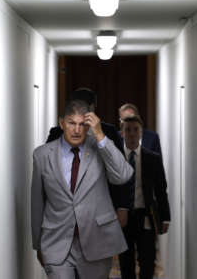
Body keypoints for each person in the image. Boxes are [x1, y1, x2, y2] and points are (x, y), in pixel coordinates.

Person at [31, 99, 134, 279]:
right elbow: (37, 202)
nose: (77, 130)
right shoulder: (42, 155)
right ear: (61, 123)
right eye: (71, 123)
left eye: (81, 124)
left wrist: (100, 135)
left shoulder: (99, 149)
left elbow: (123, 175)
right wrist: (38, 244)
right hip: (56, 241)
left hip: (97, 241)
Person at [46, 88, 130, 227]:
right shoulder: (57, 132)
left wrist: (122, 207)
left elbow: (120, 167)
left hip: (101, 209)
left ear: (93, 108)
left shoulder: (108, 132)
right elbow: (47, 170)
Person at [116, 115, 171, 279]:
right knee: (126, 263)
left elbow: (161, 189)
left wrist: (165, 217)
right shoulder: (116, 158)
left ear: (141, 133)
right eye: (128, 130)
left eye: (135, 130)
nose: (132, 134)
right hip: (122, 218)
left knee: (147, 262)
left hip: (145, 216)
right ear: (122, 133)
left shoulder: (152, 158)